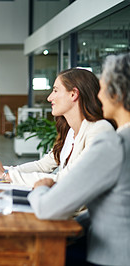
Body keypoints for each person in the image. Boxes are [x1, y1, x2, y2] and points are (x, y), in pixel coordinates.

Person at [28, 53, 130, 266]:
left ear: (117, 93)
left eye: (102, 88)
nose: (98, 96)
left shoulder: (113, 144)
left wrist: (41, 187)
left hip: (109, 257)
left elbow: (48, 208)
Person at [0, 68, 114, 187]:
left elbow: (66, 180)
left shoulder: (99, 130)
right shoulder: (70, 131)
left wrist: (6, 175)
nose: (49, 98)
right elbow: (42, 166)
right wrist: (6, 171)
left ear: (73, 94)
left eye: (55, 90)